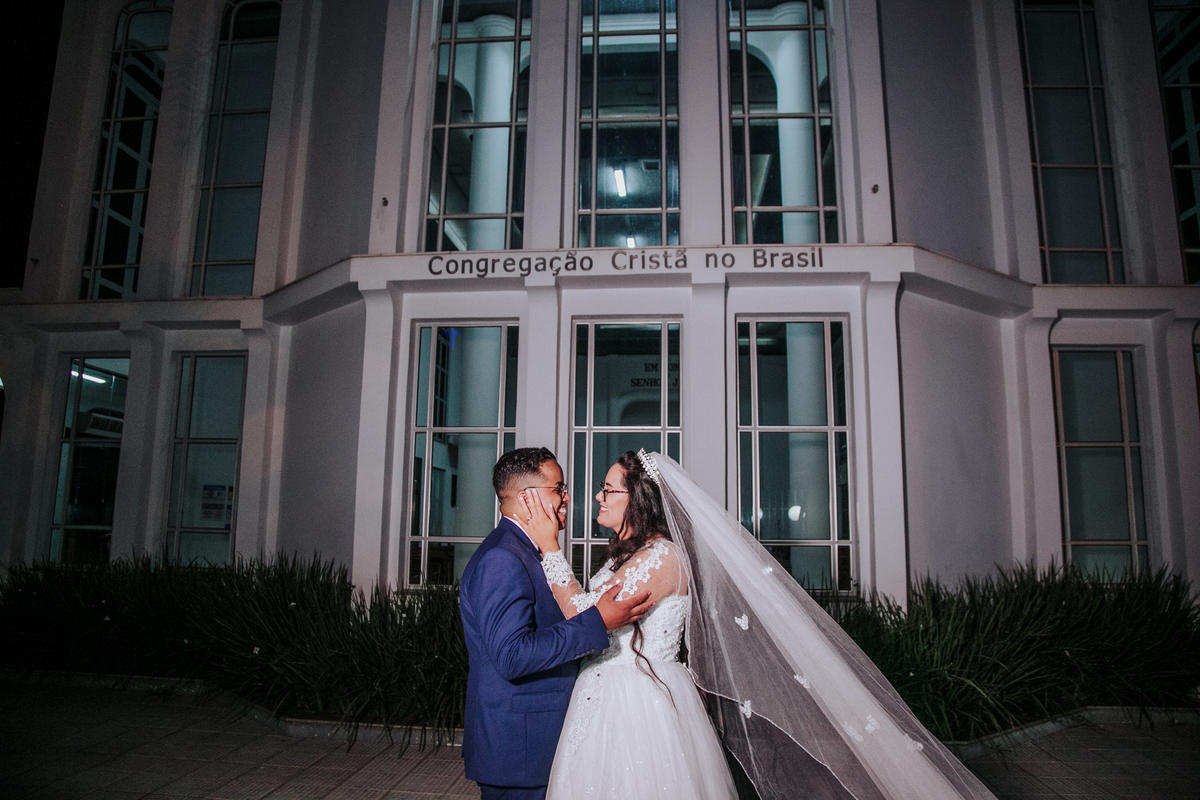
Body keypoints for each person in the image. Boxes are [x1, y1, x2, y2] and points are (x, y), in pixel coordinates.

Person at [519, 450, 998, 800]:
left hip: (637, 702)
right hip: (606, 692)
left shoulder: (661, 557)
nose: (598, 496)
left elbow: (585, 616)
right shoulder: (627, 555)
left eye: (609, 489)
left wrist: (550, 547)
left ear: (639, 499)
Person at [459, 447, 654, 800]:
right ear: (528, 497)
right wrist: (598, 621)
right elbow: (513, 656)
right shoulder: (502, 558)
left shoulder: (524, 550)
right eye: (558, 489)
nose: (567, 498)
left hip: (535, 740)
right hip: (521, 747)